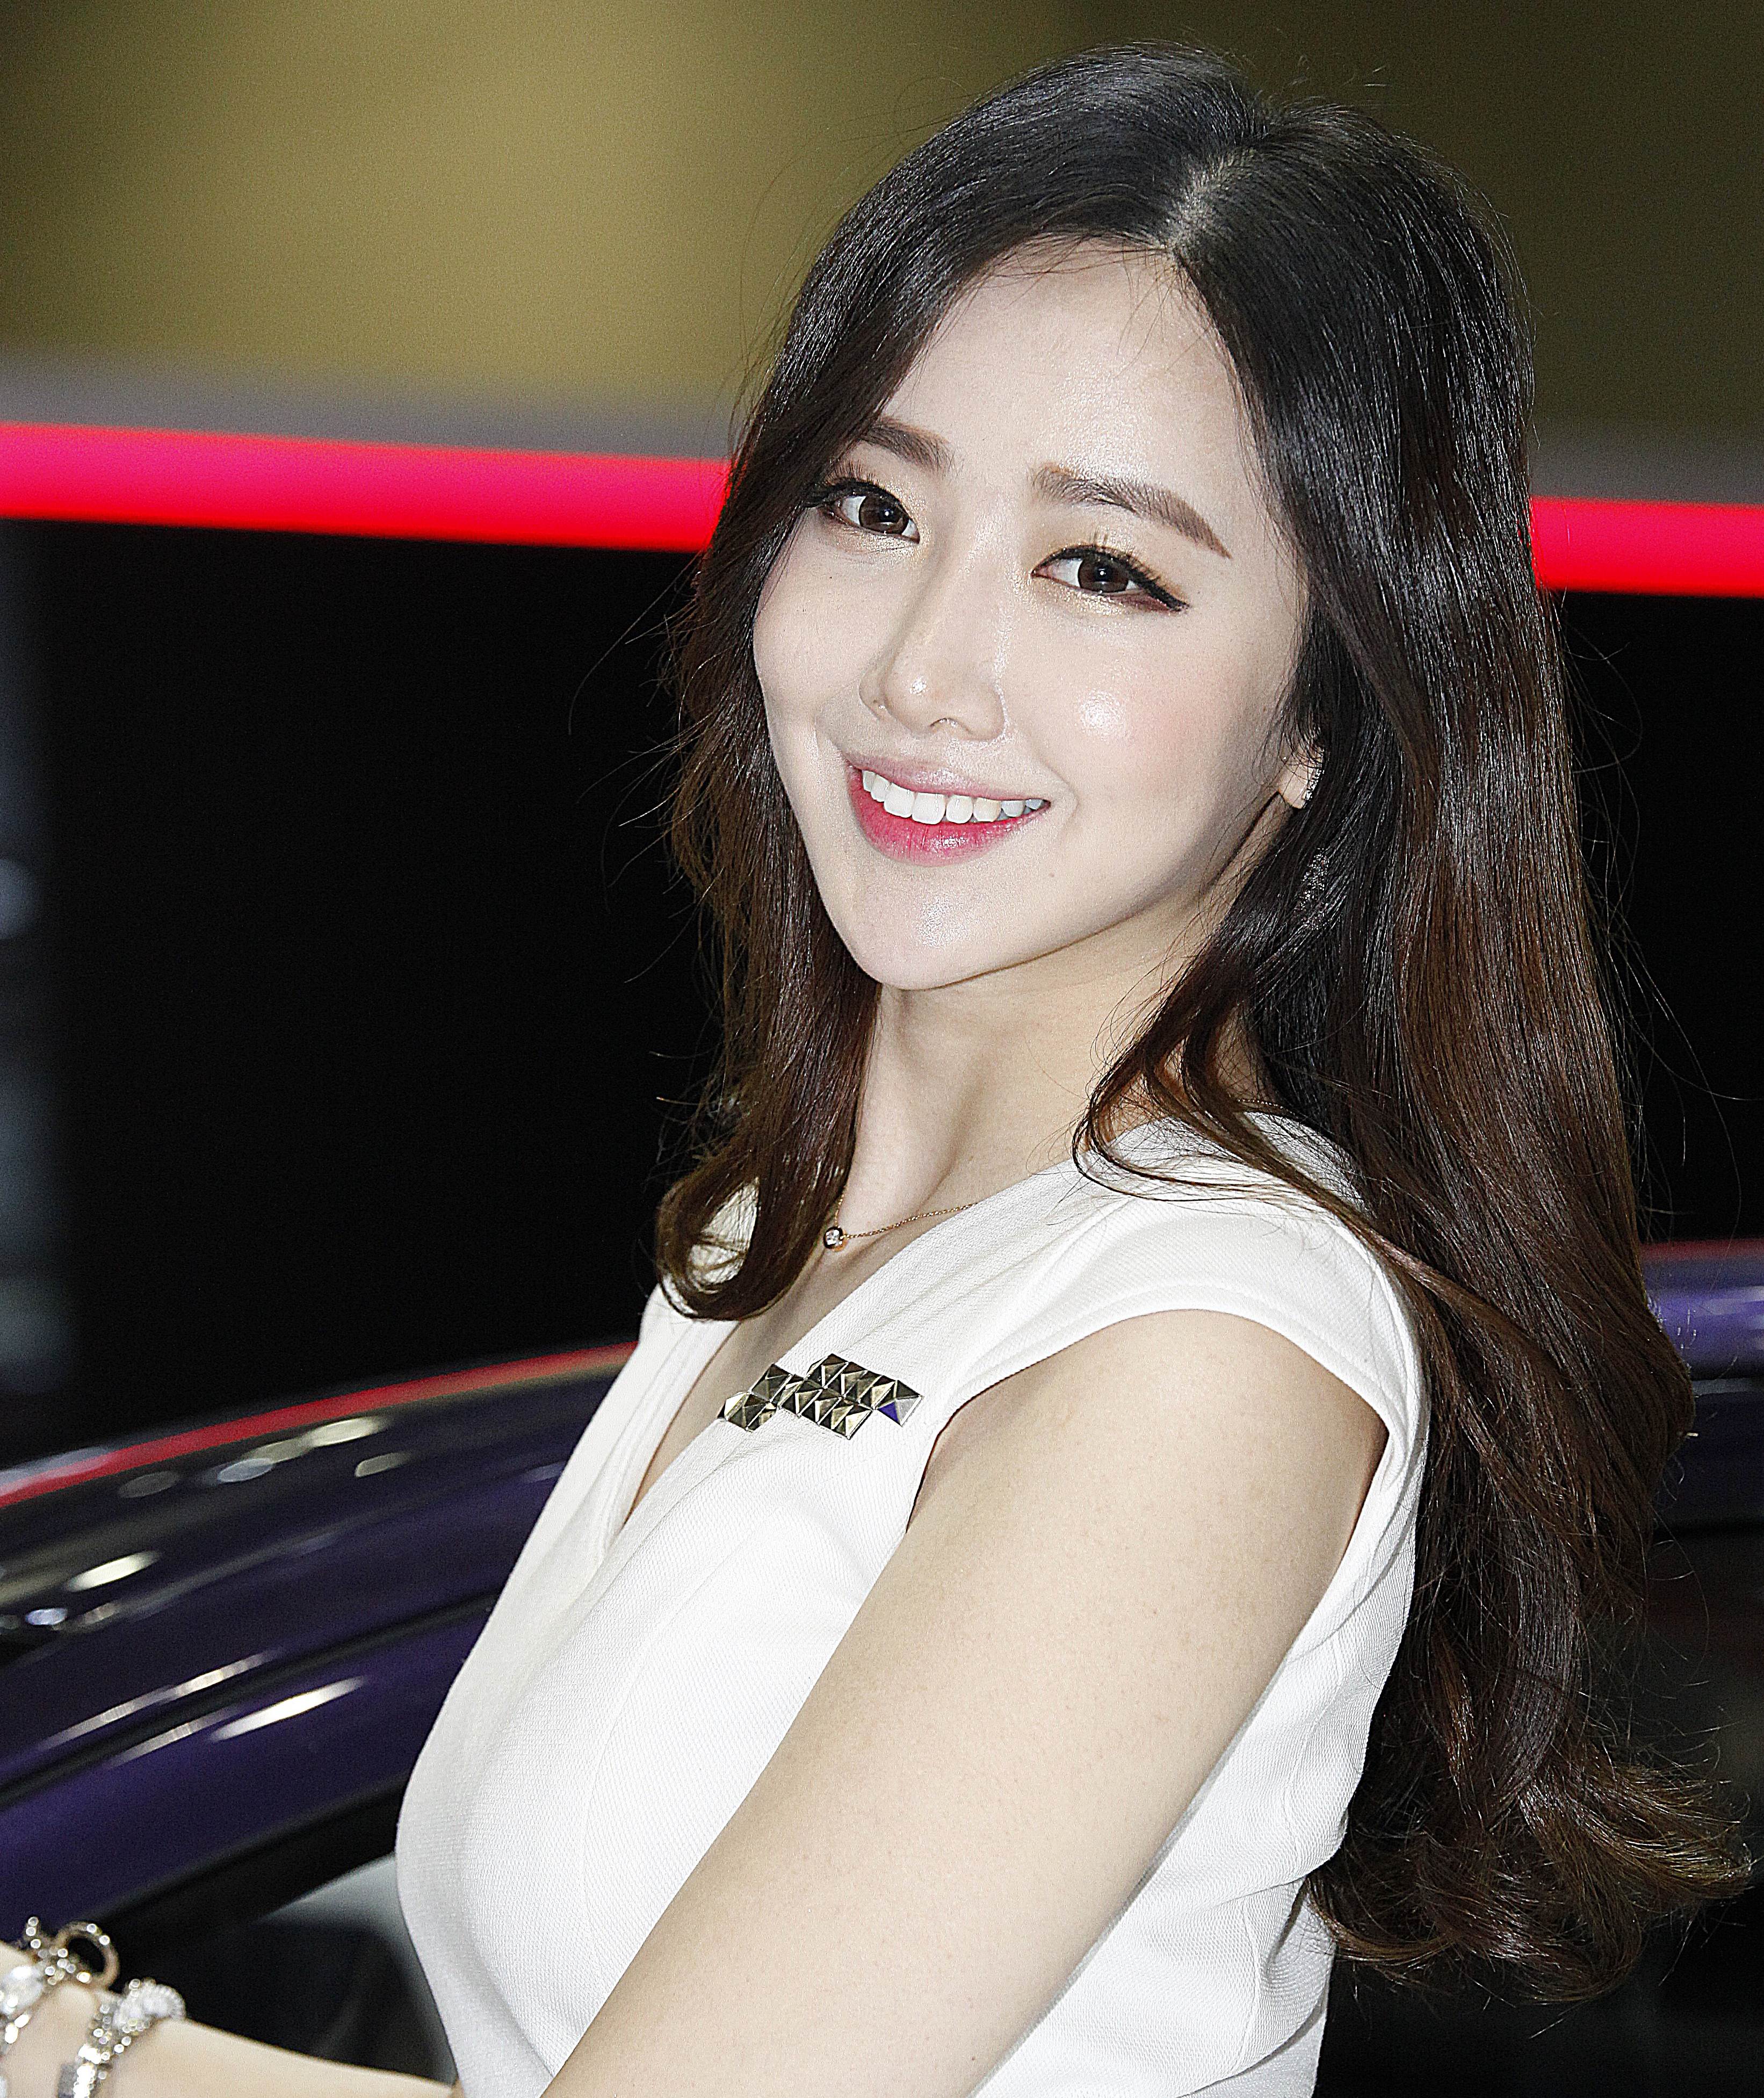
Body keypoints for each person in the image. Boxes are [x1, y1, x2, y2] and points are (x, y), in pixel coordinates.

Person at [3, 38, 1747, 2098]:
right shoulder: (786, 1233)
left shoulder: (1201, 1340)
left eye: (1102, 568)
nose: (925, 668)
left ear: (1322, 721)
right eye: (872, 504)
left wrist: (56, 2040)